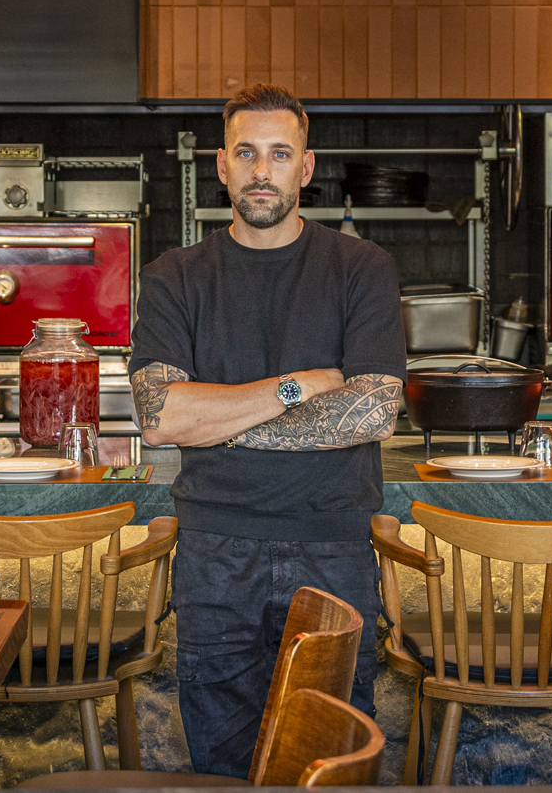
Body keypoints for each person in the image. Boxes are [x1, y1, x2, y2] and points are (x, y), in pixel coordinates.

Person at [129, 82, 406, 778]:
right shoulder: (174, 277)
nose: (261, 170)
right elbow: (161, 418)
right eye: (246, 153)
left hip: (333, 546)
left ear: (305, 168)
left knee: (331, 762)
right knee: (222, 765)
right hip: (214, 553)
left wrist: (217, 423)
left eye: (279, 154)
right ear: (222, 165)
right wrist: (297, 388)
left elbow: (374, 411)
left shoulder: (361, 268)